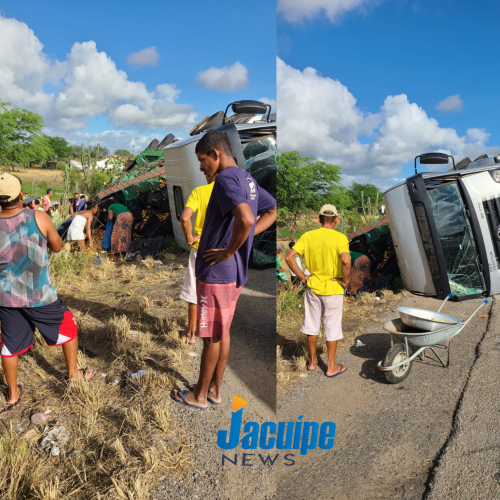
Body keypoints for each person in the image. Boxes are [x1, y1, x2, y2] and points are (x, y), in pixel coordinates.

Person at [172, 130, 276, 410]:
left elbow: (244, 218)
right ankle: (215, 390)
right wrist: (246, 239)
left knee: (211, 338)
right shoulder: (246, 178)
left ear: (215, 154)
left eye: (202, 159)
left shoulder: (226, 179)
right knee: (222, 332)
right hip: (235, 273)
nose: (201, 167)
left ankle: (200, 396)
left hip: (217, 273)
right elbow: (271, 209)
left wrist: (229, 250)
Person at [0, 173, 95, 405]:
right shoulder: (38, 216)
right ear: (21, 195)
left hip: (6, 297)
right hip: (39, 293)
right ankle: (73, 376)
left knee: (9, 344)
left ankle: (13, 394)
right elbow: (57, 246)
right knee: (69, 326)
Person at [286, 204, 351, 378]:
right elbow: (346, 261)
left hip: (312, 287)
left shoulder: (308, 236)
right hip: (333, 288)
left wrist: (302, 276)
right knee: (332, 326)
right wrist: (345, 281)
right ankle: (331, 367)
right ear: (337, 219)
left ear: (318, 218)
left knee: (312, 325)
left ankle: (313, 362)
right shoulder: (340, 237)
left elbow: (289, 257)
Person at [179, 173, 215, 344]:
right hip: (223, 250)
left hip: (200, 248)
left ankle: (191, 334)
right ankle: (212, 331)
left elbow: (185, 217)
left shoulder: (200, 192)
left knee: (195, 291)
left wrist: (190, 238)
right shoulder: (234, 192)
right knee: (216, 292)